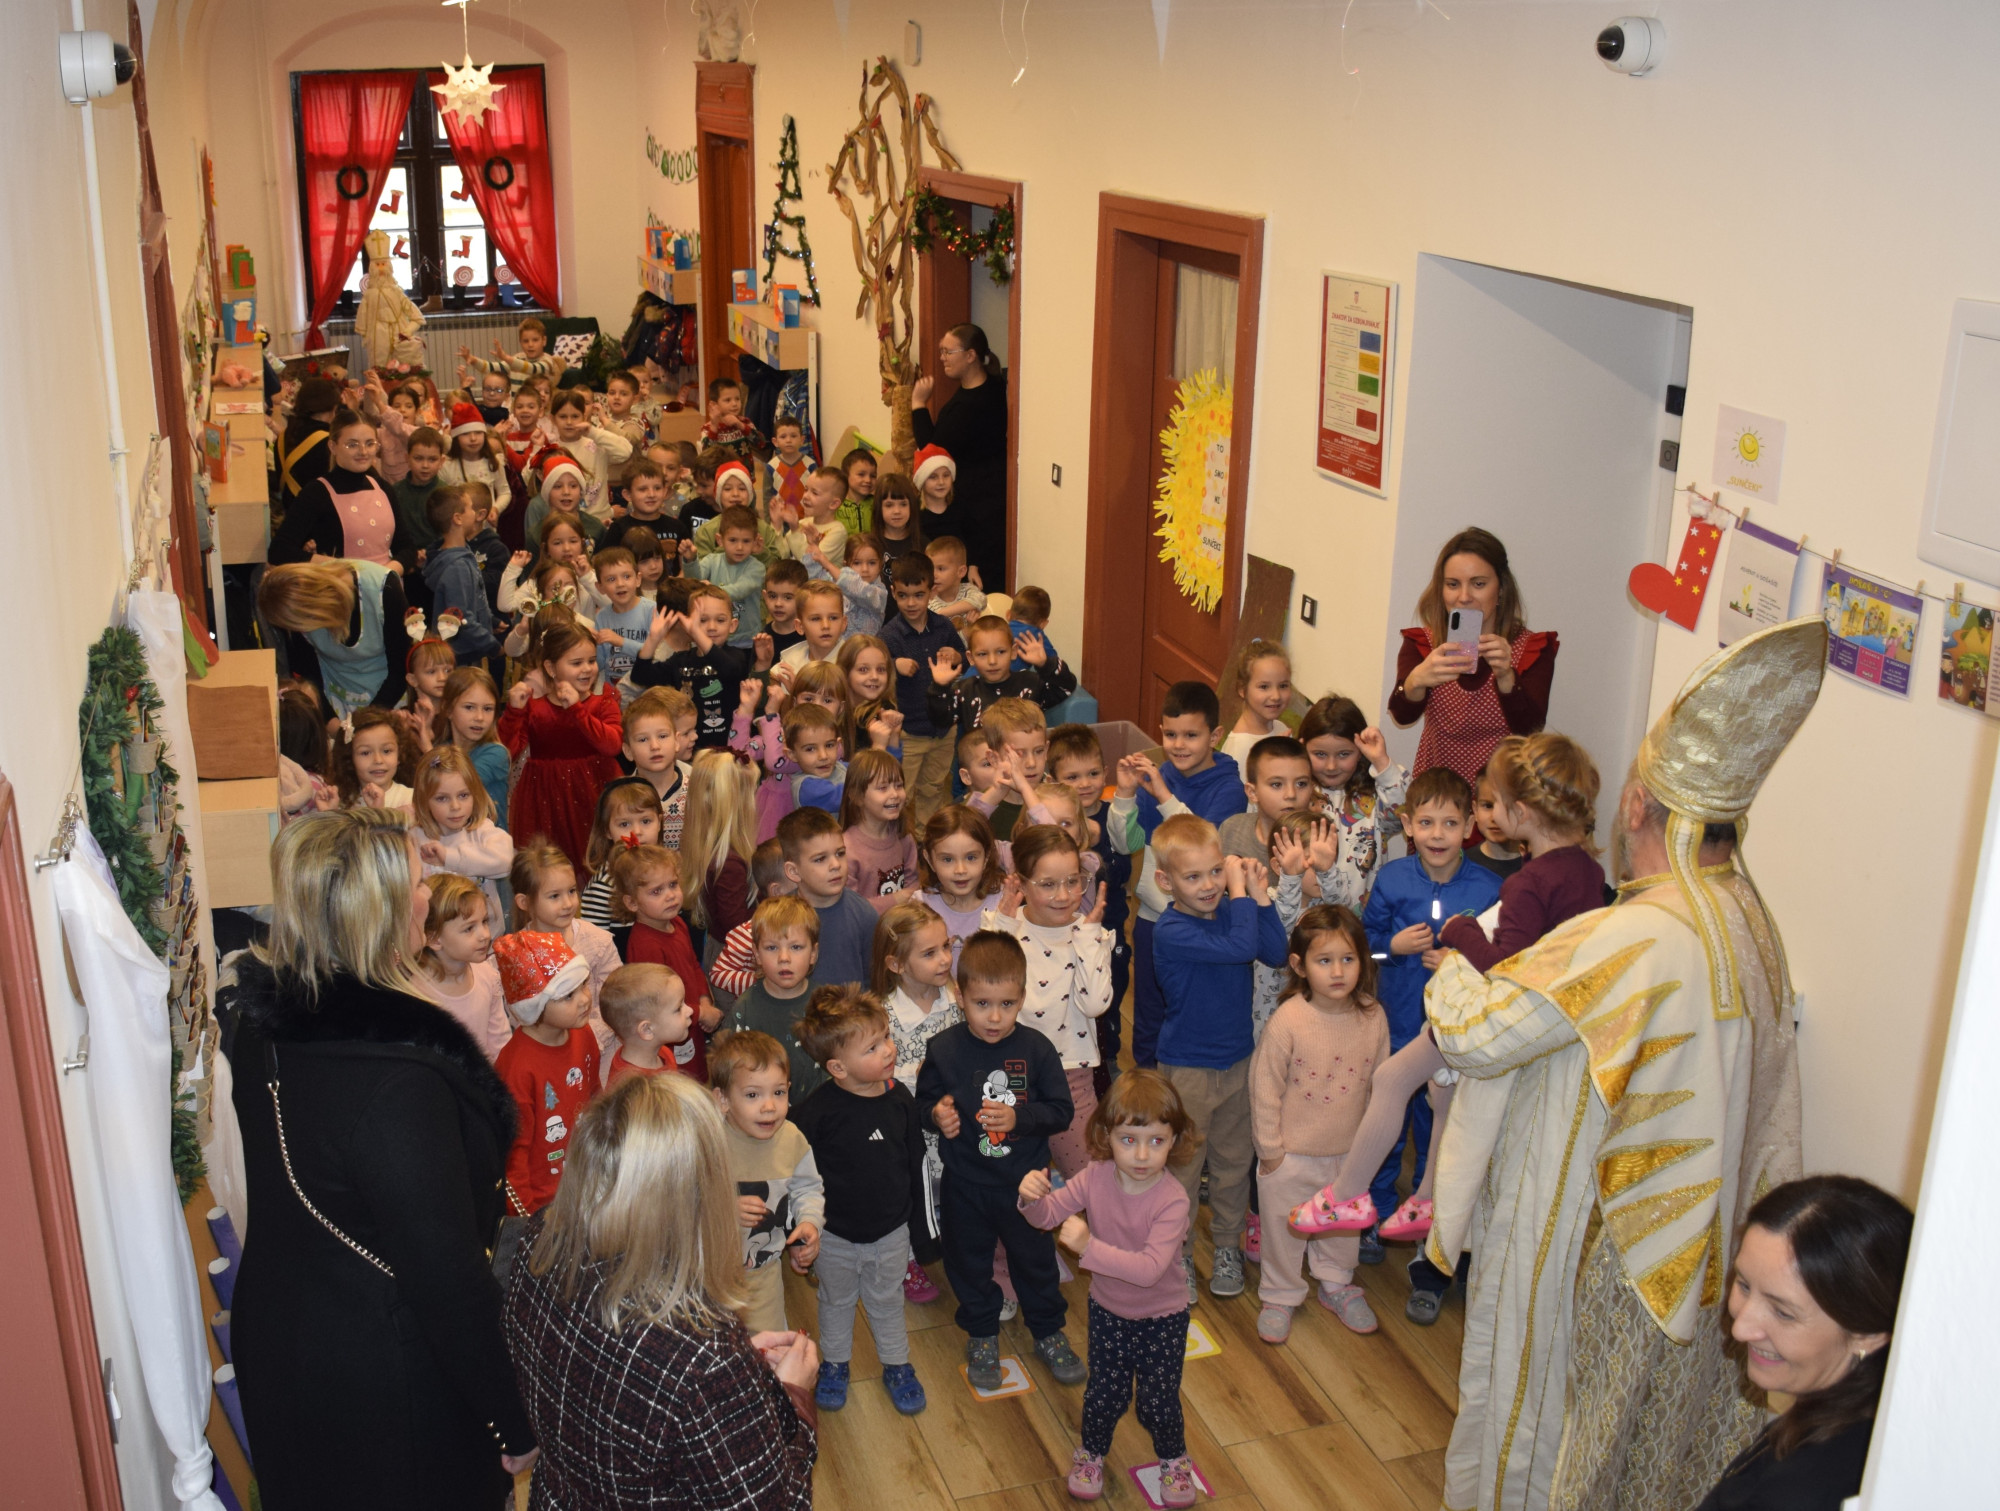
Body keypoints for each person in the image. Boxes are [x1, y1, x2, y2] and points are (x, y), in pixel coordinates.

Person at [1422, 617, 1826, 1511]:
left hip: (1583, 1227)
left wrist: (1457, 957)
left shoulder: (1640, 931)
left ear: (1638, 806)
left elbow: (1475, 1032)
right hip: (1697, 1239)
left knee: (1534, 1415)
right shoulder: (1749, 917)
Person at [219, 809, 536, 1508]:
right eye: (419, 882)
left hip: (285, 1337)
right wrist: (509, 1414)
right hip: (384, 1374)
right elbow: (445, 1273)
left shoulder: (259, 1028)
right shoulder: (398, 1082)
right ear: (383, 910)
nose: (429, 893)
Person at [502, 1072, 819, 1509]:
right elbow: (777, 1503)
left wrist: (741, 1370)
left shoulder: (539, 1239)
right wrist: (794, 1396)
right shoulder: (705, 1357)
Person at [914, 931, 1088, 1391]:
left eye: (1007, 1004)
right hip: (965, 1184)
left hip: (1026, 1185)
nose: (995, 1017)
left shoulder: (1036, 1049)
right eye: (982, 1004)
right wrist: (936, 1114)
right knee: (968, 1263)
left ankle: (1048, 1331)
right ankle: (982, 1333)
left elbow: (1061, 1111)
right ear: (960, 996)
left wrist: (1018, 1118)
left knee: (1036, 1261)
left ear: (1022, 998)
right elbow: (924, 1102)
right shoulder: (944, 1049)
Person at [1018, 1071, 1200, 1506]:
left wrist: (1088, 1248)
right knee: (1104, 1395)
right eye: (1128, 1140)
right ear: (1106, 1136)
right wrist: (1030, 1198)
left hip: (1164, 1319)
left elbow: (1150, 1270)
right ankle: (1091, 1455)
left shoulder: (1173, 1200)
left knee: (1159, 1401)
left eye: (1156, 1141)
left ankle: (1174, 1459)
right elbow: (1047, 1216)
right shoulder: (1094, 1176)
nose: (1142, 1154)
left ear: (1174, 1140)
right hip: (1108, 1312)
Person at [1695, 1175, 1911, 1511]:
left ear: (1867, 1334)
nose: (1740, 1329)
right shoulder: (1855, 1417)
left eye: (1783, 1313)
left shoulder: (1800, 1492)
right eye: (1744, 1285)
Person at [1149, 814, 1287, 1305]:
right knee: (1184, 1168)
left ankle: (1227, 1245)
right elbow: (1241, 947)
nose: (1209, 885)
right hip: (1187, 1068)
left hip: (1239, 1061)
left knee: (1234, 1162)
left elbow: (1276, 952)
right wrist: (1240, 891)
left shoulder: (1233, 911)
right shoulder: (1170, 930)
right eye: (1193, 876)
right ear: (1165, 881)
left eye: (1214, 871)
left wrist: (1260, 895)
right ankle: (1179, 1253)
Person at [1249, 905, 1390, 1342]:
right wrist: (1271, 1152)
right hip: (1290, 1154)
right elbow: (1264, 1088)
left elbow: (1382, 1086)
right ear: (1299, 966)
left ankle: (1336, 1283)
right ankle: (1280, 1293)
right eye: (1324, 960)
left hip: (1349, 1153)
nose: (1338, 972)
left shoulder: (1373, 1016)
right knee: (1283, 1229)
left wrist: (1368, 1152)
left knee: (1342, 1227)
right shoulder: (1288, 1020)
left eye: (1348, 959)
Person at [791, 987, 930, 1414]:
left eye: (885, 1037)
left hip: (891, 1232)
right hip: (835, 1235)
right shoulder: (817, 1111)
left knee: (887, 1300)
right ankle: (834, 1363)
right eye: (872, 1047)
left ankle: (897, 1364)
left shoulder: (900, 1100)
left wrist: (921, 1231)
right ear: (837, 1067)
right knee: (836, 1301)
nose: (888, 1050)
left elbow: (915, 1163)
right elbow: (796, 1170)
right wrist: (799, 1228)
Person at [1107, 680, 1250, 1070]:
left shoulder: (1229, 788)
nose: (1178, 745)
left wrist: (1164, 796)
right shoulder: (1159, 776)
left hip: (1206, 921)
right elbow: (1125, 844)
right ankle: (1148, 1090)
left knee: (1192, 1012)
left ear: (1215, 736)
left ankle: (1188, 1087)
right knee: (1149, 1014)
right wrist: (1124, 796)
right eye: (1170, 734)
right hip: (1154, 918)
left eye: (1191, 735)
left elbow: (1199, 849)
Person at [980, 825, 1115, 1175]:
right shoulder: (1003, 927)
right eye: (1048, 884)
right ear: (1021, 884)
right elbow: (986, 984)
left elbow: (1095, 1005)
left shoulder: (1090, 934)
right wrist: (1005, 922)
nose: (1063, 895)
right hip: (1010, 1075)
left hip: (1072, 1076)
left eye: (1073, 881)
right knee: (1012, 1182)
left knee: (1090, 1180)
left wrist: (1089, 937)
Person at [1387, 527, 1559, 789]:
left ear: (1501, 588)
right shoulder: (1423, 644)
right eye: (1452, 584)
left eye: (1478, 584)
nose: (1464, 597)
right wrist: (1415, 681)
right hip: (1437, 799)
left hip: (1500, 799)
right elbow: (1402, 716)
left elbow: (1530, 729)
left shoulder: (1531, 649)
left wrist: (1506, 677)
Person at [708, 1029, 824, 1332]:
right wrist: (723, 1207)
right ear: (722, 1099)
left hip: (762, 1274)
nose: (769, 1106)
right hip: (705, 1277)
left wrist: (808, 1223)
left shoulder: (791, 1139)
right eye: (752, 1095)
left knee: (767, 1347)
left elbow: (807, 1189)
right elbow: (678, 1199)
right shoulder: (707, 1141)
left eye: (779, 1093)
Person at [498, 621, 625, 872]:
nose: (587, 669)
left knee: (597, 861)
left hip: (594, 794)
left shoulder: (603, 702)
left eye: (591, 661)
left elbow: (611, 745)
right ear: (551, 668)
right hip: (545, 802)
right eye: (576, 663)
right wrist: (513, 712)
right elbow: (507, 753)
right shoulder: (535, 708)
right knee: (552, 867)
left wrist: (578, 711)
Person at [912, 322, 1010, 589]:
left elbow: (931, 452)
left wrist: (918, 404)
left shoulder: (975, 404)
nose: (942, 357)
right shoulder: (987, 387)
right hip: (979, 497)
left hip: (982, 505)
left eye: (948, 351)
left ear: (970, 355)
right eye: (941, 351)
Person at [258, 558, 414, 718]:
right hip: (334, 698)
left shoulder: (384, 590)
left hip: (388, 698)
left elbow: (400, 669)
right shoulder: (292, 613)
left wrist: (366, 720)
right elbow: (310, 673)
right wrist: (332, 722)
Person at [268, 408, 411, 570]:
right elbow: (280, 550)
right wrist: (338, 566)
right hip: (338, 584)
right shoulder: (316, 493)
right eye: (352, 445)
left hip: (386, 583)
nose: (363, 451)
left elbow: (406, 548)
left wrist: (386, 574)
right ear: (333, 446)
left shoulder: (383, 488)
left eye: (370, 444)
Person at [778, 806, 879, 986]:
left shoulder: (865, 915)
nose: (835, 865)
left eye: (840, 853)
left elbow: (874, 982)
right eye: (820, 859)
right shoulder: (777, 918)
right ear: (793, 871)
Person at [600, 962, 694, 1086]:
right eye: (678, 1008)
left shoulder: (663, 1052)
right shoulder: (632, 1088)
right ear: (647, 1030)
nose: (690, 1010)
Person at [1220, 639, 1294, 768]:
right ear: (1242, 690)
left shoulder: (1280, 728)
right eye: (1264, 687)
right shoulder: (1239, 751)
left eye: (1283, 686)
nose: (1276, 696)